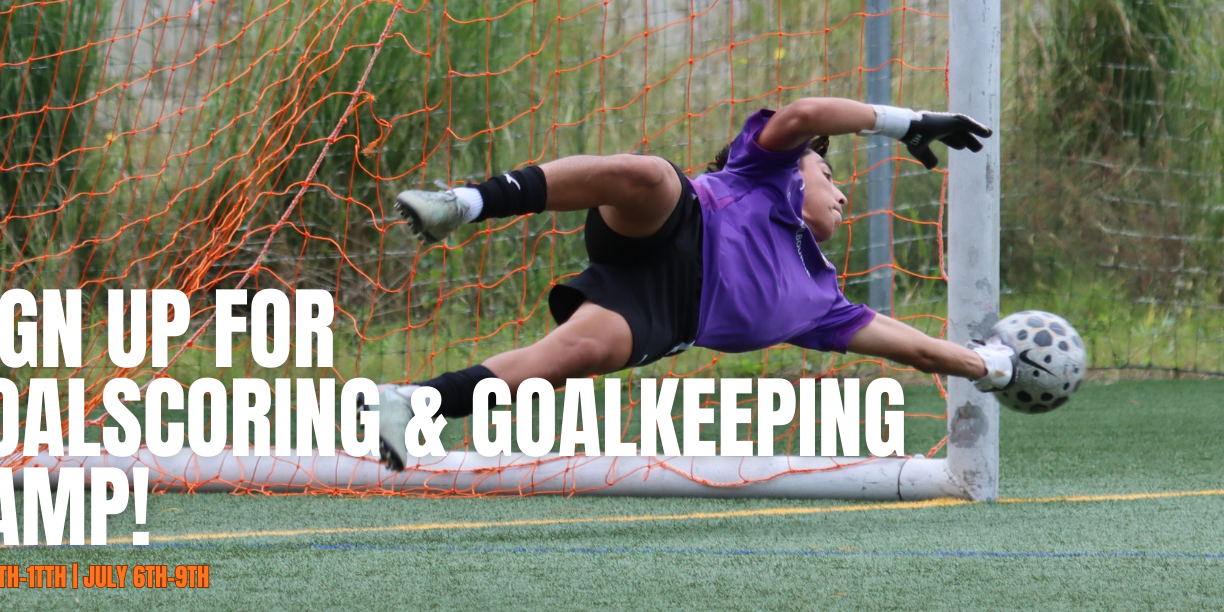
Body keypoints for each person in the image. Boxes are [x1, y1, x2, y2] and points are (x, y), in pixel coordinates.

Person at [366, 98, 1016, 470]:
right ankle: (464, 203)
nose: (842, 194)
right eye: (828, 175)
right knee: (649, 174)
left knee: (572, 355)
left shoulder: (823, 303)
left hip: (667, 310)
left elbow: (919, 350)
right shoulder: (763, 172)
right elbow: (806, 113)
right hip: (676, 223)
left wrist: (995, 366)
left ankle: (413, 405)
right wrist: (909, 123)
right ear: (798, 170)